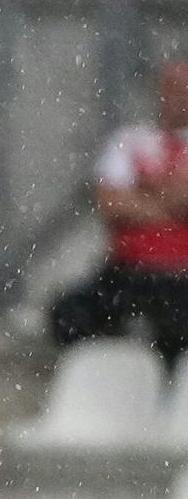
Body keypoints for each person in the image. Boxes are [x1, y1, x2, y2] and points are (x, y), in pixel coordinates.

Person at [51, 57, 188, 364]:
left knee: (175, 331)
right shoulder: (130, 140)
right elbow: (110, 203)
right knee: (69, 316)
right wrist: (171, 204)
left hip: (181, 274)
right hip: (129, 271)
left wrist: (143, 190)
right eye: (171, 88)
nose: (178, 97)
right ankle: (114, 381)